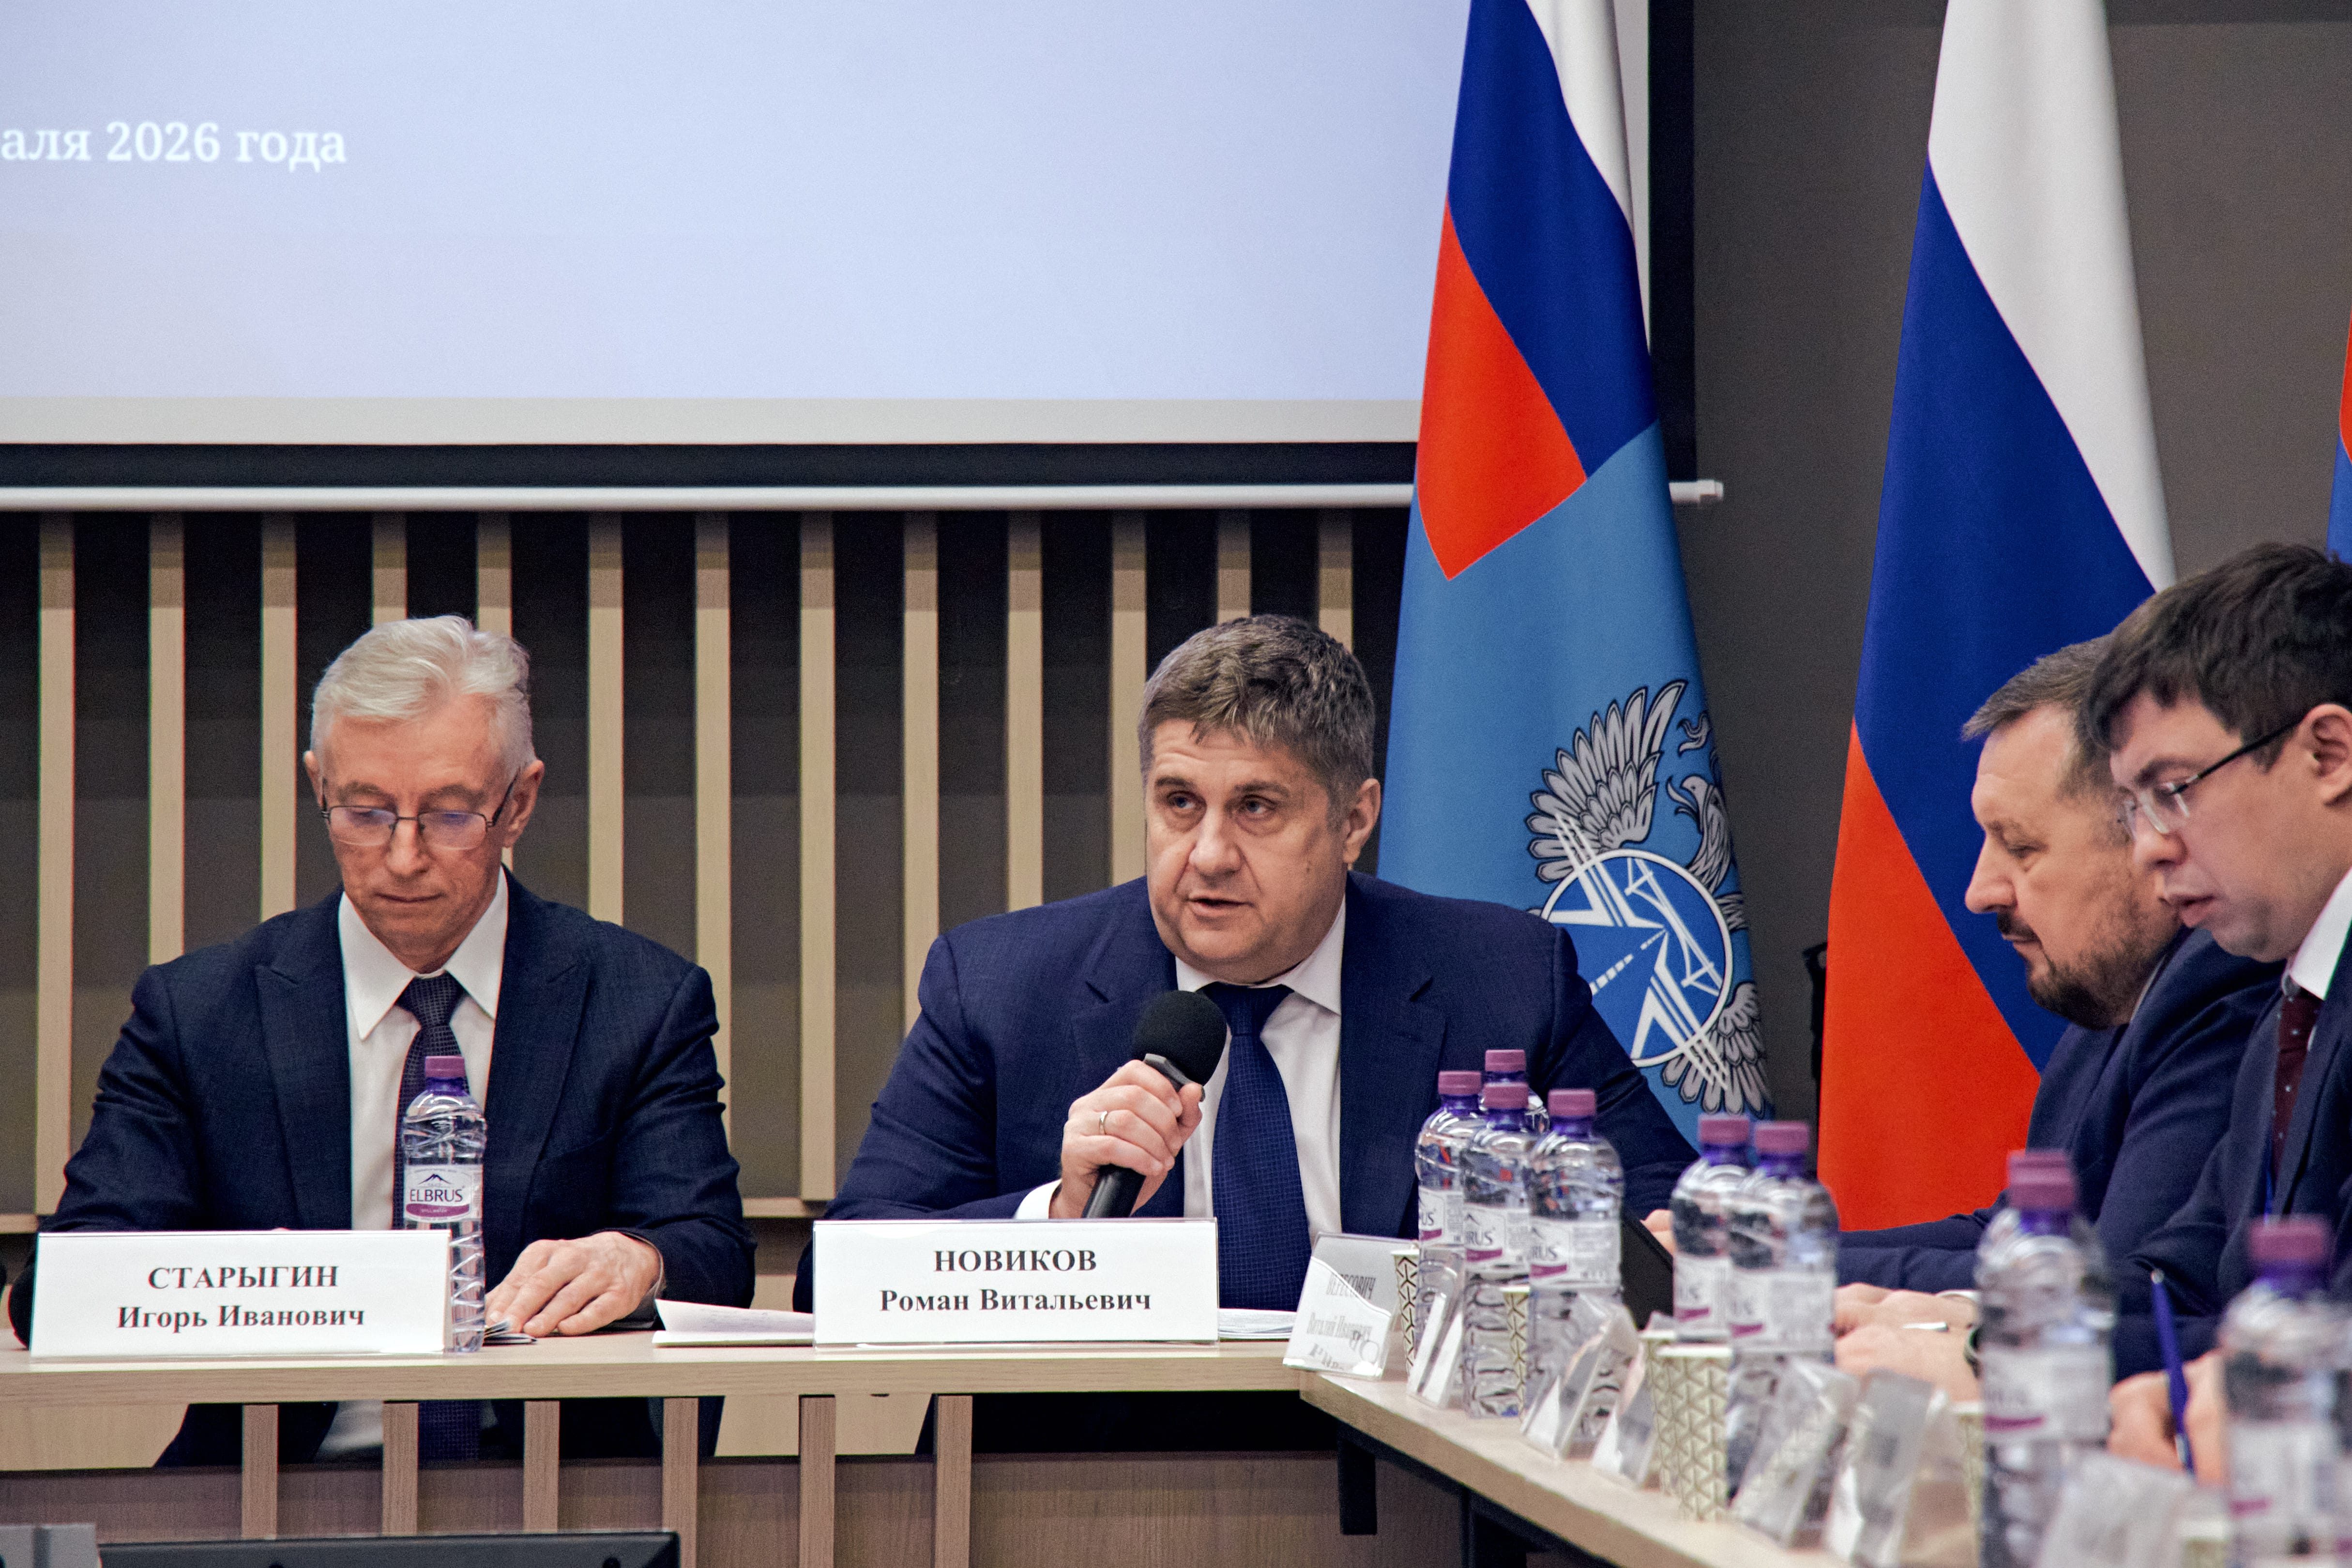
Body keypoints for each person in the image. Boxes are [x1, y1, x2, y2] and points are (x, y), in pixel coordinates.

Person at [810, 616, 1696, 1445]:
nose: (1207, 855)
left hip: (1411, 1477)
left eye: (1257, 808)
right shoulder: (1001, 987)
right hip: (1083, 1488)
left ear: (1353, 821)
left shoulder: (1501, 980)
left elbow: (1662, 1223)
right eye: (1179, 802)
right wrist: (1060, 1219)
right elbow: (837, 1279)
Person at [6, 616, 753, 1464]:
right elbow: (58, 1288)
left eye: (450, 815)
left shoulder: (638, 1000)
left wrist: (639, 1260)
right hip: (275, 1483)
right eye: (365, 813)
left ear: (519, 803)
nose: (402, 858)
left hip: (553, 1483)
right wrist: (254, 1283)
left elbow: (711, 1252)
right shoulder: (200, 1012)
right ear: (318, 785)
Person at [1835, 641, 2275, 1301]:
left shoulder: (2222, 981)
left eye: (2019, 845)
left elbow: (2115, 1283)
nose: (1979, 892)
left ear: (2147, 837)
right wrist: (1765, 1253)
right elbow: (2014, 1238)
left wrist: (1775, 1271)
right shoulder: (2112, 995)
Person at [2077, 544, 2352, 1469]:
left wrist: (1999, 1363)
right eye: (2135, 808)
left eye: (2174, 791)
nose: (2149, 849)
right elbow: (2190, 1276)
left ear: (2328, 754)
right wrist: (1976, 1330)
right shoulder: (2292, 1003)